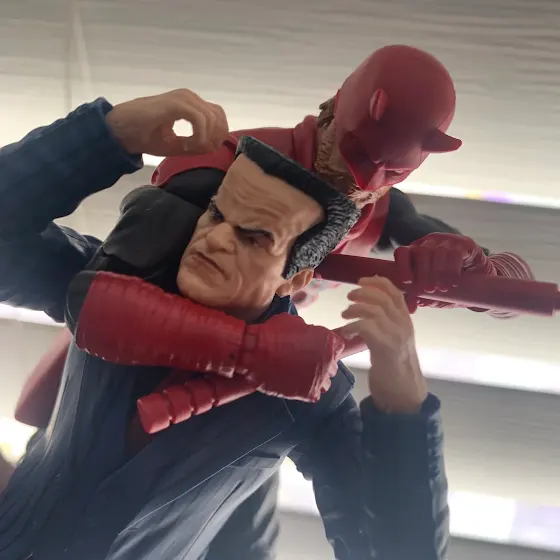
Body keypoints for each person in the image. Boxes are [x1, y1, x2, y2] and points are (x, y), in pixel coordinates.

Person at [0, 90, 447, 560]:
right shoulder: (122, 275)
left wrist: (404, 408)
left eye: (254, 238)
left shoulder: (310, 391)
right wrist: (107, 136)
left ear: (295, 277)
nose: (215, 240)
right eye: (216, 213)